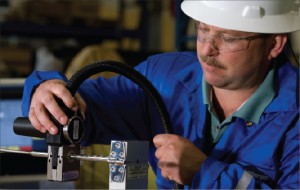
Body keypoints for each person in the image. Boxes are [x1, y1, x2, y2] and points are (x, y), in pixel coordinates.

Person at [21, 0, 299, 189]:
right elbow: (88, 105)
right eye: (203, 30)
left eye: (228, 38)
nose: (206, 50)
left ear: (274, 43)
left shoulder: (294, 116)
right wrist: (46, 92)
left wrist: (204, 173)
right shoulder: (166, 79)